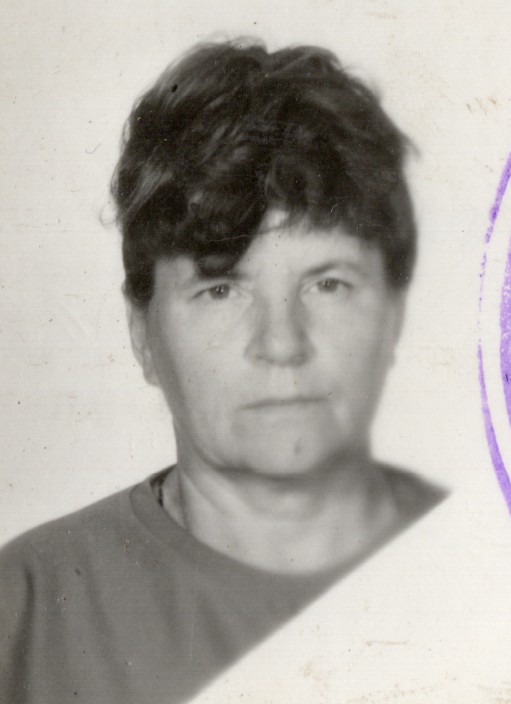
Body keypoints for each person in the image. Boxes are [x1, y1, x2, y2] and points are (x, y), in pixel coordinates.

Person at [0, 39, 446, 704]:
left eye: (327, 283)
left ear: (393, 312)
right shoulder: (25, 613)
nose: (281, 344)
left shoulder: (484, 560)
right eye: (220, 289)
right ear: (142, 335)